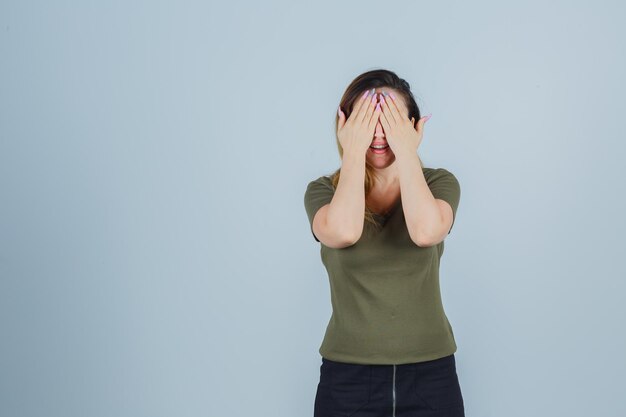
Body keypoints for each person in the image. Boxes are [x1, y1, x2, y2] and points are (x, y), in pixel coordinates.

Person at [304, 69, 466, 417]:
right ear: (345, 125)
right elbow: (344, 232)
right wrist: (352, 151)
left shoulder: (440, 183)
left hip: (431, 374)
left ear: (412, 127)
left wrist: (406, 151)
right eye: (367, 119)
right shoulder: (323, 192)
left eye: (390, 121)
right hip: (347, 377)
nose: (379, 133)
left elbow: (425, 232)